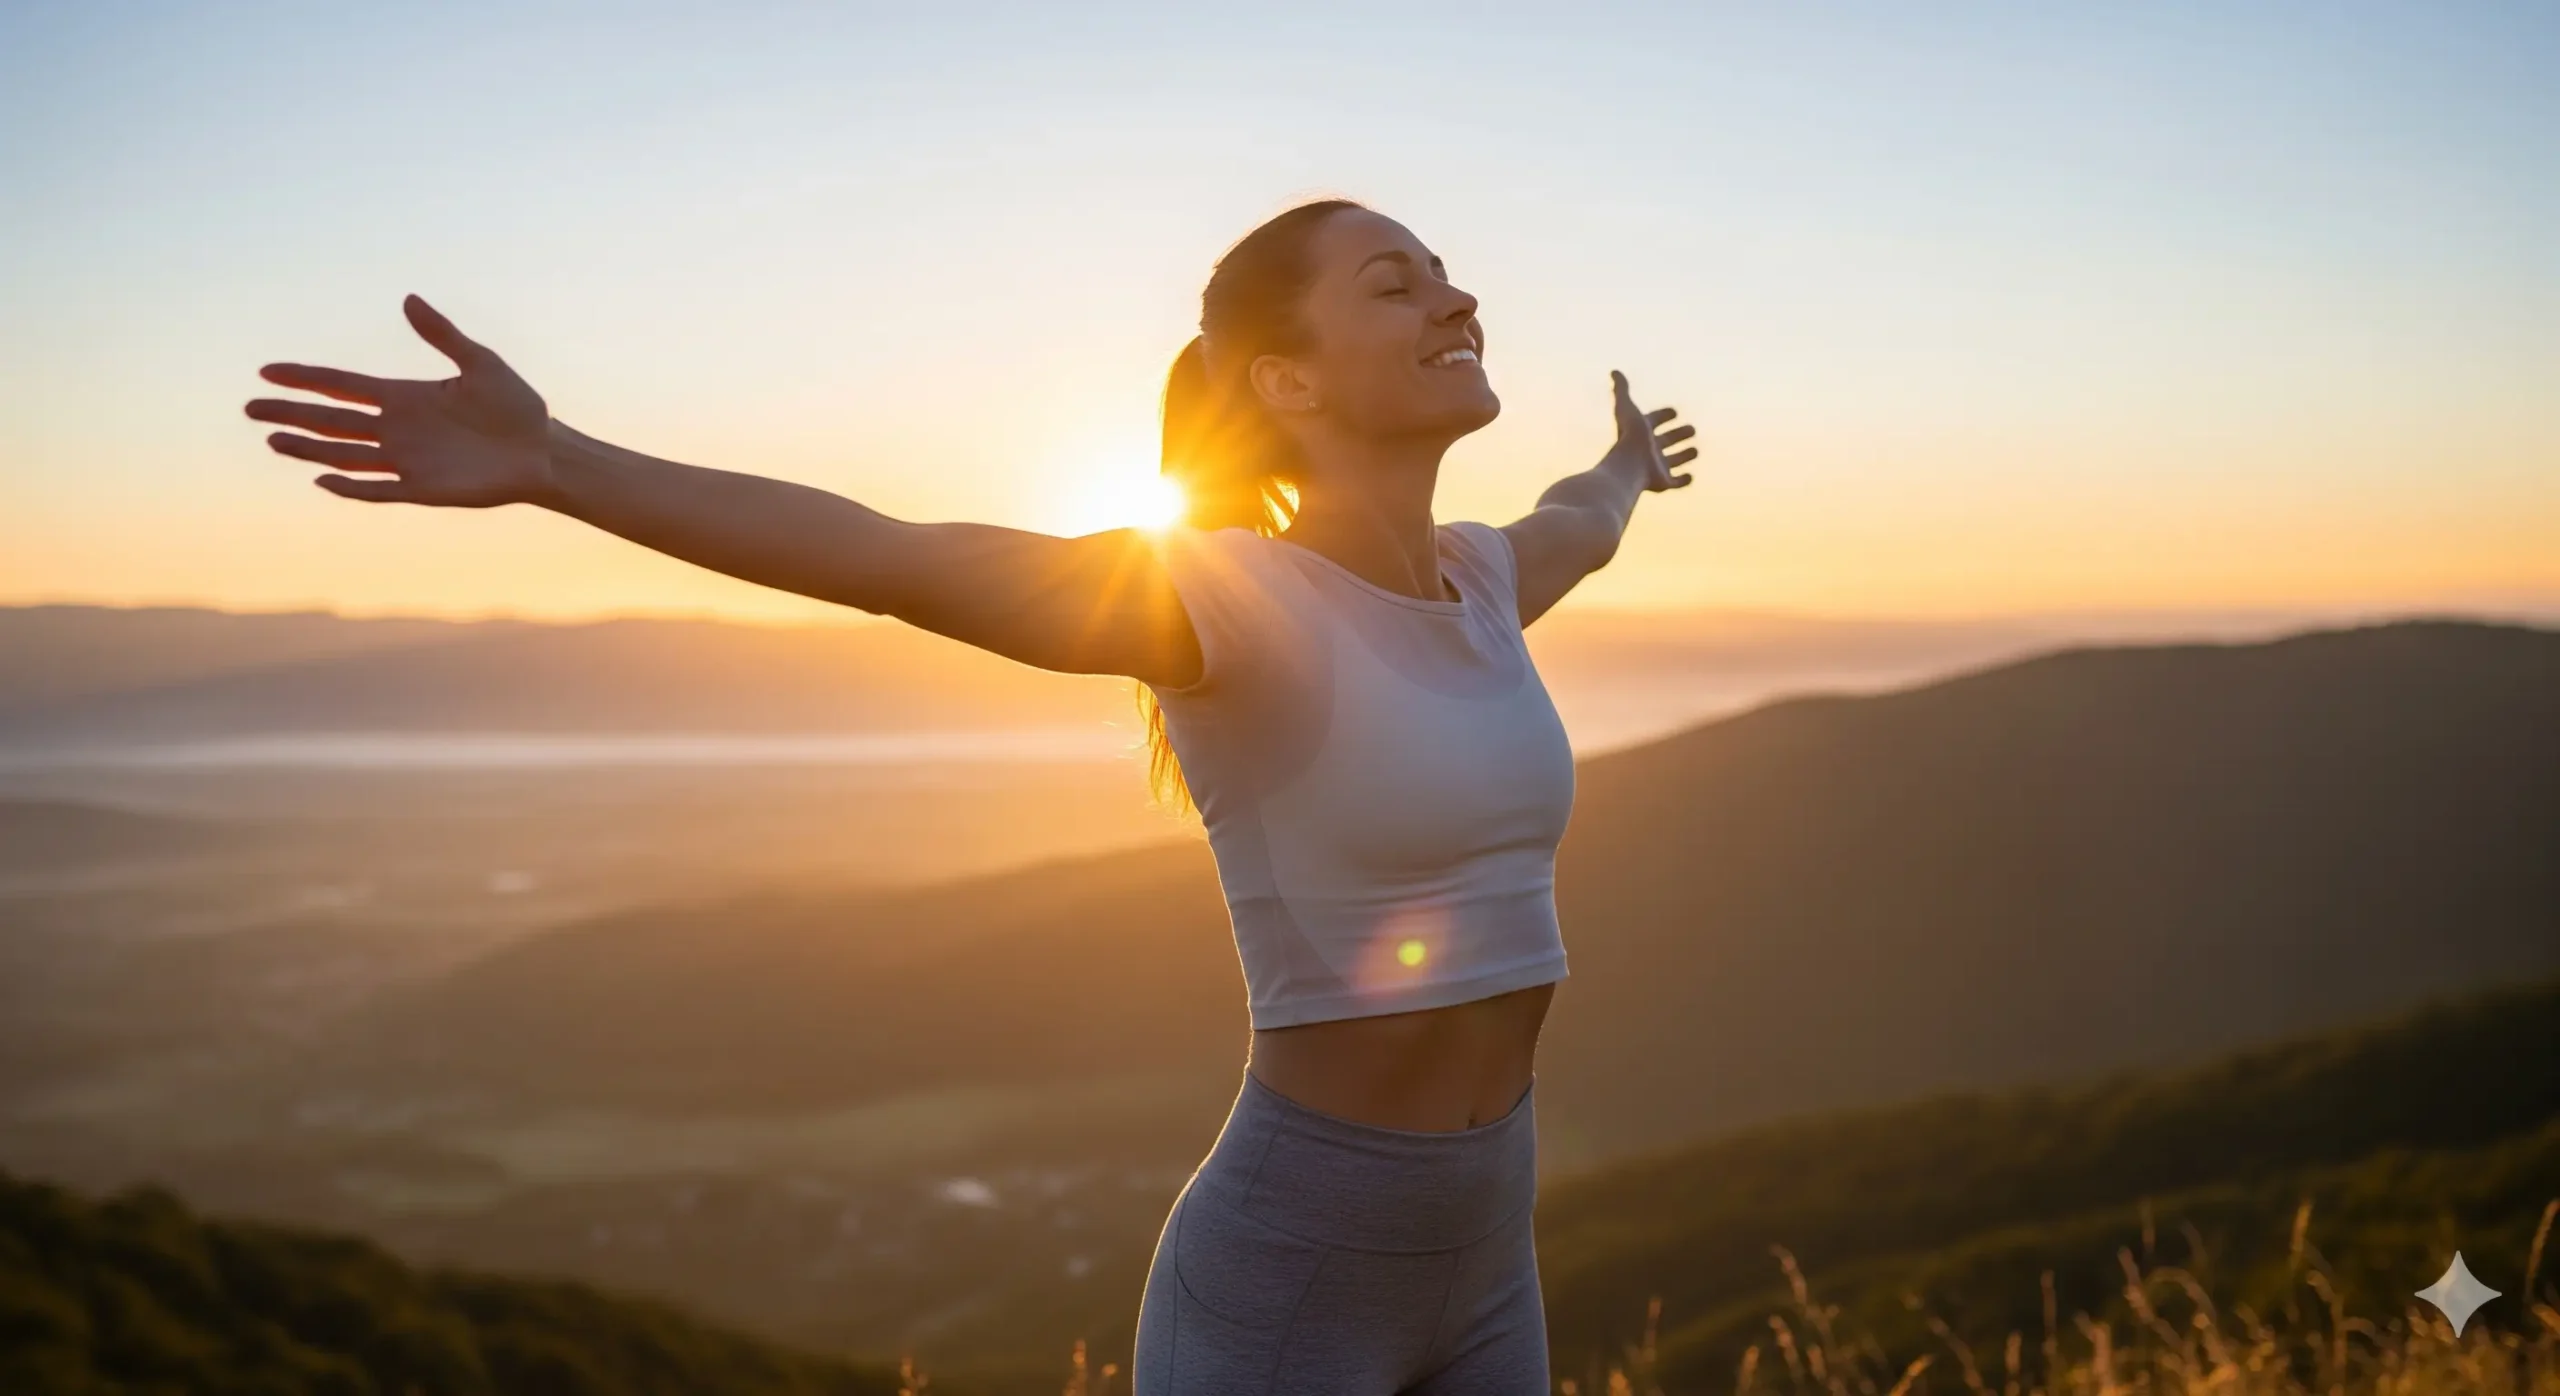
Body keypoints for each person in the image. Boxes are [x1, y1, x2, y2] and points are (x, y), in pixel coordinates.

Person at [245, 196, 1697, 1394]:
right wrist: (556, 463)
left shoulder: (1488, 579)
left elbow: (1586, 517)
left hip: (1488, 1249)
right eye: (1399, 285)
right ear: (1288, 378)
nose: (1456, 301)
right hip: (1291, 1278)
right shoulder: (1223, 602)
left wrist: (1628, 464)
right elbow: (889, 555)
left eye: (1449, 277)